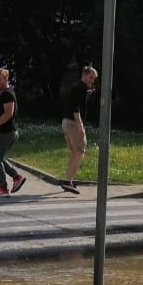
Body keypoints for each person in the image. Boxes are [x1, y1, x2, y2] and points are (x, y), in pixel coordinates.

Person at [0, 66, 27, 197]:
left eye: (0, 80)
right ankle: (17, 177)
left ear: (6, 79)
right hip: (7, 132)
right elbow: (0, 109)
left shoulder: (7, 94)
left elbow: (8, 113)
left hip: (6, 133)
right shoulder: (3, 93)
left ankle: (3, 188)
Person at [59, 64, 98, 194]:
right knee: (80, 151)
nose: (92, 80)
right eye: (91, 77)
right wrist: (81, 127)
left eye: (94, 78)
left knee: (74, 152)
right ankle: (68, 181)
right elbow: (76, 109)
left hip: (66, 121)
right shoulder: (80, 89)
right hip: (73, 123)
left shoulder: (77, 88)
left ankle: (67, 179)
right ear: (84, 75)